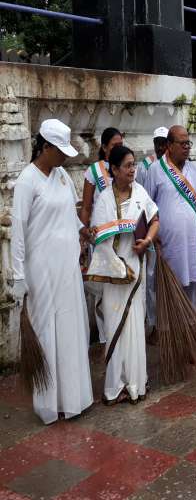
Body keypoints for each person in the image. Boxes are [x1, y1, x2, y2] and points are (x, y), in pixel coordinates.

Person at [10, 119, 93, 424]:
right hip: (41, 270)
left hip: (67, 267)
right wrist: (18, 276)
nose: (64, 158)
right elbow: (18, 232)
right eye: (60, 151)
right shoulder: (26, 181)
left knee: (71, 330)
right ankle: (49, 404)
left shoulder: (62, 177)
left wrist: (85, 232)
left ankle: (74, 399)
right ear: (45, 147)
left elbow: (71, 215)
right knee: (47, 332)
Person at [88, 145, 159, 405]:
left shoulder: (140, 192)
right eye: (127, 166)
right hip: (113, 273)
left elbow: (154, 219)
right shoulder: (104, 199)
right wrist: (119, 267)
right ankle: (115, 387)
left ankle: (136, 383)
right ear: (114, 170)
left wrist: (147, 241)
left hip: (135, 267)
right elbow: (99, 239)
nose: (132, 170)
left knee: (134, 326)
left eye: (134, 165)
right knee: (115, 325)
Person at [145, 125, 196, 310]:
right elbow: (147, 207)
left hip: (193, 243)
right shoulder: (155, 170)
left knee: (192, 286)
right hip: (167, 244)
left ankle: (190, 330)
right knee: (169, 289)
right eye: (182, 143)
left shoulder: (195, 171)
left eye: (188, 143)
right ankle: (168, 333)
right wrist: (153, 237)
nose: (187, 147)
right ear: (169, 145)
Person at [80, 126, 125, 342]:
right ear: (105, 147)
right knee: (104, 285)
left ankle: (122, 328)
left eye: (121, 144)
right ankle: (106, 336)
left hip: (123, 237)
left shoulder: (126, 167)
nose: (119, 148)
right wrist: (83, 234)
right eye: (115, 145)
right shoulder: (94, 171)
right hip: (101, 237)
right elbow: (86, 207)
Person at [135, 126, 169, 333]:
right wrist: (151, 234)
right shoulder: (145, 166)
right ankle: (154, 323)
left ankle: (168, 322)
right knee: (151, 279)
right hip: (151, 232)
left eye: (164, 143)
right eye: (157, 143)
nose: (160, 147)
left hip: (170, 231)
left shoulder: (176, 166)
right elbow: (142, 201)